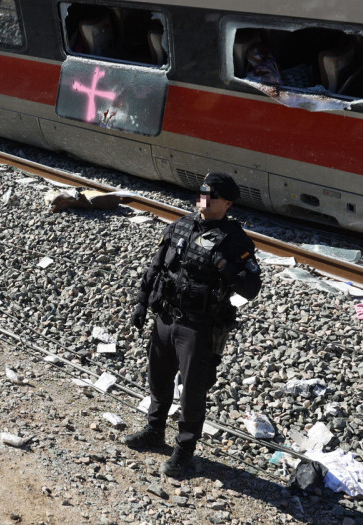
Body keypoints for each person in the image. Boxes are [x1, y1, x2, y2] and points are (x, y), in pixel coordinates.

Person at [123, 172, 263, 477]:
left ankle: (184, 449)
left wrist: (224, 265)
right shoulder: (180, 226)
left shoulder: (236, 240)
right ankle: (154, 430)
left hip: (199, 328)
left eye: (213, 195)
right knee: (158, 379)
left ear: (227, 203)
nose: (205, 199)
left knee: (192, 392)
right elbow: (156, 267)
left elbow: (251, 288)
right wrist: (141, 303)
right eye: (203, 192)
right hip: (165, 318)